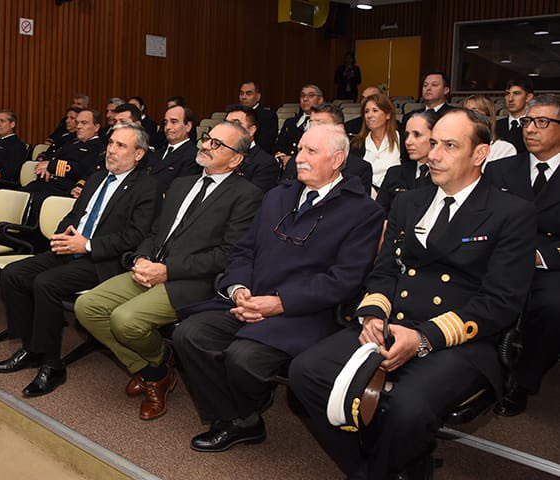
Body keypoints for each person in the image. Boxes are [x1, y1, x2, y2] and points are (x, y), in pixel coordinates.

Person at [289, 108, 536, 480]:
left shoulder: (510, 212)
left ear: (480, 154)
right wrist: (372, 313)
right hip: (392, 320)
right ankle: (380, 467)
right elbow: (386, 269)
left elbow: (500, 302)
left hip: (460, 339)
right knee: (306, 373)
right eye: (433, 143)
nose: (433, 154)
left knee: (407, 407)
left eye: (449, 146)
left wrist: (423, 338)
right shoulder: (409, 202)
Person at [173, 124, 383, 453]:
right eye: (299, 150)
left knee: (243, 359)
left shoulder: (362, 211)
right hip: (251, 299)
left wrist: (279, 303)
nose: (299, 158)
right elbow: (243, 250)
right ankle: (240, 419)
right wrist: (238, 289)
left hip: (304, 312)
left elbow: (344, 280)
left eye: (311, 152)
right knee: (189, 334)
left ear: (338, 159)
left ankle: (242, 412)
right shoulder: (278, 196)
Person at [74, 122, 262, 421]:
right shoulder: (181, 184)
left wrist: (168, 270)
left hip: (192, 282)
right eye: (207, 139)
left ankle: (155, 369)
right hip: (151, 269)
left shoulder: (247, 195)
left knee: (126, 321)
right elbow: (156, 232)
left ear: (236, 158)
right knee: (87, 307)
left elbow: (227, 256)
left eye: (217, 144)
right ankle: (155, 370)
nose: (206, 146)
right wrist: (142, 258)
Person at [0, 123, 159, 397]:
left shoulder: (146, 186)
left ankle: (52, 365)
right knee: (13, 274)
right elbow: (74, 214)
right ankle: (32, 347)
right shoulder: (97, 177)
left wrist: (88, 244)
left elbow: (135, 236)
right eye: (111, 143)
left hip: (105, 261)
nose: (111, 150)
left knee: (46, 283)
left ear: (138, 154)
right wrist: (63, 232)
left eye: (121, 146)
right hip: (71, 249)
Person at [485, 94, 560, 417]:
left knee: (552, 306)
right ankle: (480, 370)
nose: (531, 129)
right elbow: (482, 216)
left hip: (549, 263)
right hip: (497, 257)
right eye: (528, 121)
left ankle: (522, 380)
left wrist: (540, 256)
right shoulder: (501, 169)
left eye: (542, 122)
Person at [282, 103, 373, 194]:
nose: (313, 128)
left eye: (320, 123)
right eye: (311, 123)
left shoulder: (359, 169)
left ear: (339, 128)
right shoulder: (296, 162)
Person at [25, 109, 105, 205]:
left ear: (96, 127)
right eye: (77, 123)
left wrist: (50, 166)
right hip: (45, 182)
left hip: (64, 190)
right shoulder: (71, 142)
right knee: (17, 197)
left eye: (84, 123)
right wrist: (45, 166)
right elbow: (51, 157)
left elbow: (81, 169)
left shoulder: (99, 147)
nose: (78, 126)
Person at [376, 110, 439, 215]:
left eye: (417, 135)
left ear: (435, 137)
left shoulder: (447, 176)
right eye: (407, 135)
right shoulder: (394, 174)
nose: (408, 142)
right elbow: (378, 214)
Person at [140, 105, 200, 194]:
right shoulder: (157, 152)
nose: (167, 127)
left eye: (174, 122)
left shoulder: (194, 156)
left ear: (188, 126)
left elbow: (179, 191)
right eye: (165, 122)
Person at [351, 93, 402, 195]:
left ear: (388, 115)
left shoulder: (402, 139)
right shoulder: (357, 144)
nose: (369, 115)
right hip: (365, 196)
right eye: (366, 111)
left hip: (394, 197)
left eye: (375, 110)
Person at [224, 104, 282, 191]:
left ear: (251, 130)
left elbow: (252, 199)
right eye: (226, 123)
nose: (228, 128)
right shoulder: (219, 154)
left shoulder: (265, 163)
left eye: (235, 123)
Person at [462, 95, 517, 166]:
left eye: (474, 111)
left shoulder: (504, 149)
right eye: (465, 111)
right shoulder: (456, 146)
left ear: (488, 116)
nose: (467, 115)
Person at [274, 84, 324, 162]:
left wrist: (292, 162)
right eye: (302, 96)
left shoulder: (325, 124)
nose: (305, 99)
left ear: (320, 100)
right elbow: (278, 148)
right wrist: (282, 158)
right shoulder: (289, 123)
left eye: (311, 96)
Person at [496, 77, 535, 155]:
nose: (510, 99)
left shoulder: (534, 126)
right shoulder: (495, 126)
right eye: (507, 94)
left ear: (528, 97)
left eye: (516, 93)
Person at [238, 81, 279, 154]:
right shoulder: (234, 114)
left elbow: (265, 145)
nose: (243, 97)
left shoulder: (268, 116)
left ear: (258, 97)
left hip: (255, 158)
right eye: (241, 93)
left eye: (248, 94)